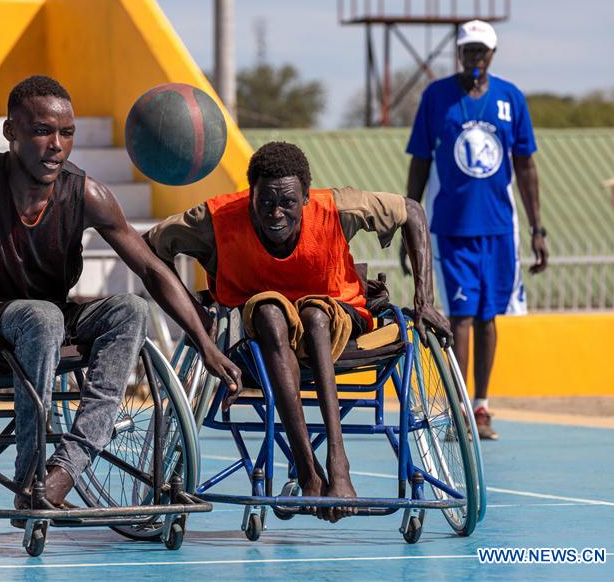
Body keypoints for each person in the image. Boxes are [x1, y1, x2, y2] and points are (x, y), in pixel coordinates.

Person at [0, 75, 242, 518]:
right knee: (42, 317)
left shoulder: (86, 193)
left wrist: (204, 342)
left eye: (66, 133)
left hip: (46, 319)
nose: (56, 144)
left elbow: (151, 268)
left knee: (129, 309)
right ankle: (30, 478)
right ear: (10, 131)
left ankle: (66, 468)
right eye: (41, 131)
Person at [146, 141, 450, 522]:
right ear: (249, 196)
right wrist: (198, 323)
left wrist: (425, 300)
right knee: (272, 311)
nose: (276, 213)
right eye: (265, 203)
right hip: (263, 329)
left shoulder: (339, 207)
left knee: (314, 315)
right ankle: (308, 470)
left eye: (288, 203)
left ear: (306, 197)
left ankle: (339, 463)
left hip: (334, 314)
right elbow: (151, 249)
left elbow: (412, 211)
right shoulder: (217, 217)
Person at [404, 20, 548, 440]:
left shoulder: (510, 98)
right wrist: (410, 219)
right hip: (452, 227)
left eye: (481, 51)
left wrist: (538, 228)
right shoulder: (436, 98)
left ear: (492, 54)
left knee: (488, 317)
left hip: (500, 228)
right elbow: (419, 161)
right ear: (459, 54)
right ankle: (461, 407)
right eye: (467, 50)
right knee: (461, 316)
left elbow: (525, 165)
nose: (474, 58)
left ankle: (482, 406)